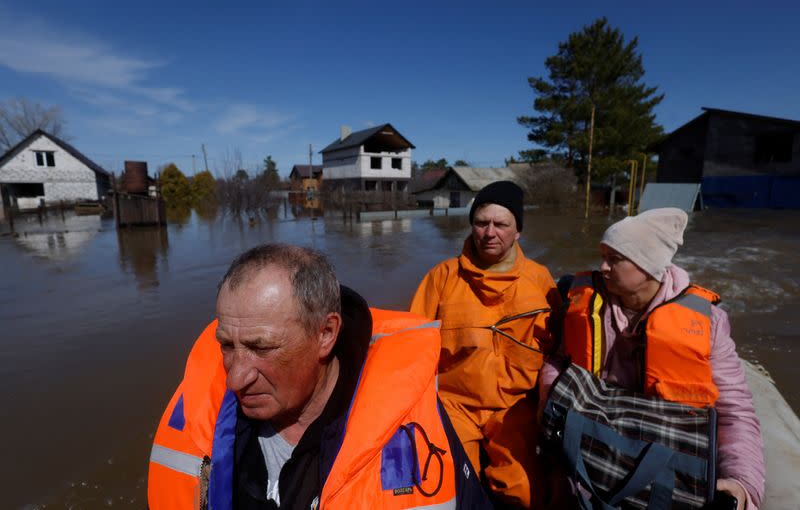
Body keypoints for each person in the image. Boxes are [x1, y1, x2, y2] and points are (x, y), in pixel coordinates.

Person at [148, 243, 492, 509]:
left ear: (325, 334)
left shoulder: (415, 425)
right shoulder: (200, 415)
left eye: (262, 348)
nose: (236, 378)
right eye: (227, 346)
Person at [540, 207, 765, 509]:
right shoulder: (585, 305)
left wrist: (742, 483)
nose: (602, 267)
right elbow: (559, 363)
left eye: (615, 259)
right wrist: (553, 408)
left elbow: (735, 410)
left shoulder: (709, 323)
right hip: (595, 443)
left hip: (664, 453)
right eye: (603, 255)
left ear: (649, 266)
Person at [410, 181, 560, 508]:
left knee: (523, 492)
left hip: (515, 405)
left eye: (501, 224)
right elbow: (412, 346)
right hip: (455, 404)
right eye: (481, 222)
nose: (489, 232)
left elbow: (559, 350)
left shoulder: (540, 281)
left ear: (518, 231)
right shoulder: (442, 277)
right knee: (450, 486)